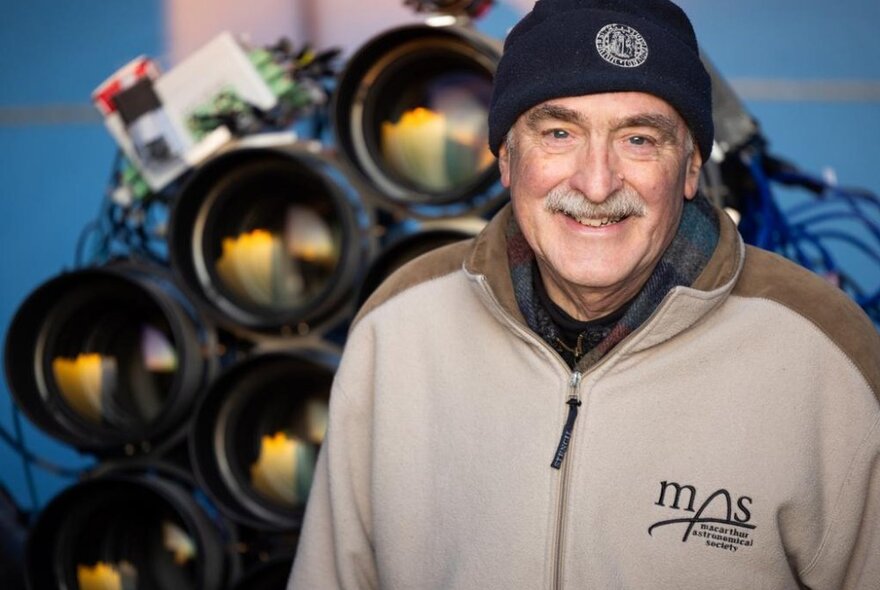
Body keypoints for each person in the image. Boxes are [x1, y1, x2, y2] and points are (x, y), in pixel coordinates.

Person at [289, 0, 880, 587]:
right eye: (558, 132)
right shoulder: (398, 330)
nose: (596, 183)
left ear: (693, 165)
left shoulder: (824, 353)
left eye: (640, 140)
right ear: (505, 157)